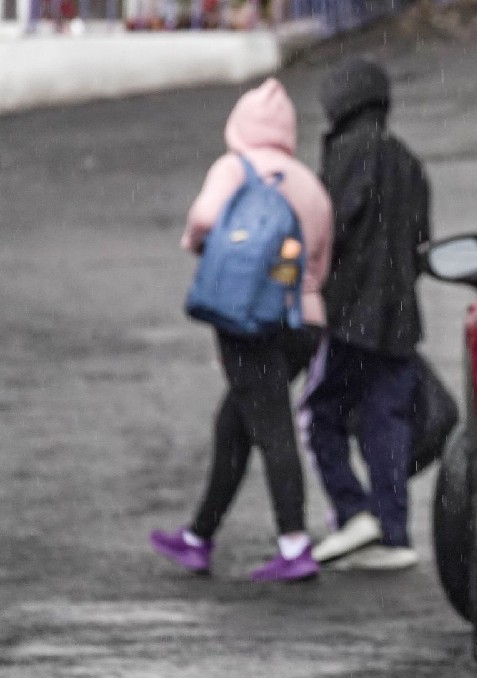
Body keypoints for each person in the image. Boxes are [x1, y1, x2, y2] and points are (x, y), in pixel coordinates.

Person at [150, 78, 333, 582]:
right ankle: (198, 537)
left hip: (247, 319)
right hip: (302, 324)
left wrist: (200, 243)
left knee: (270, 426)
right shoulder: (310, 184)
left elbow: (205, 218)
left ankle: (295, 545)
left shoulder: (235, 168)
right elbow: (321, 262)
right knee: (235, 424)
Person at [302, 57, 431, 570]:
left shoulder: (348, 153)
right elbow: (421, 241)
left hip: (351, 314)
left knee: (321, 416)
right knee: (387, 423)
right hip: (399, 320)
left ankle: (353, 512)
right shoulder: (407, 161)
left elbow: (328, 228)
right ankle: (394, 535)